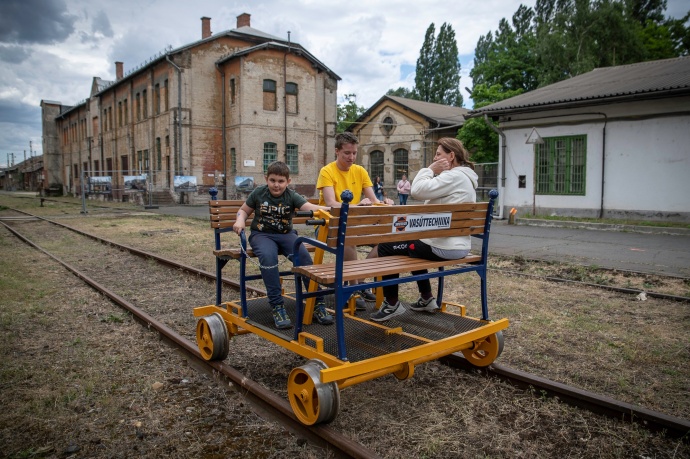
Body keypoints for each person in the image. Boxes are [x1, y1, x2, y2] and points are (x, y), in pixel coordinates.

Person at [368, 138, 478, 322]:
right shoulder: (465, 178)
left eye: (438, 154)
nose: (434, 158)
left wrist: (430, 170)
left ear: (451, 156)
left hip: (443, 247)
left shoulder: (453, 176)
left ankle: (392, 304)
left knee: (387, 246)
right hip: (459, 245)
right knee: (413, 245)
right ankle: (427, 298)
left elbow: (417, 191)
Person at [233, 161, 334, 329]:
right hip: (262, 235)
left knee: (303, 257)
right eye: (273, 180)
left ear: (288, 181)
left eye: (281, 181)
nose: (276, 185)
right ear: (266, 179)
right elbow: (244, 210)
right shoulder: (259, 193)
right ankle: (277, 306)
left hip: (286, 235)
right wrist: (240, 220)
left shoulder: (291, 195)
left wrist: (335, 208)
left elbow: (311, 207)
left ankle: (316, 302)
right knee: (268, 257)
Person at [317, 132, 394, 308]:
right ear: (337, 151)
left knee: (385, 241)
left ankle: (358, 282)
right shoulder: (327, 171)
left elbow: (373, 201)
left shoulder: (360, 171)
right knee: (349, 237)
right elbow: (331, 203)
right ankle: (352, 289)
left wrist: (384, 203)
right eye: (347, 153)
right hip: (329, 225)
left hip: (355, 224)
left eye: (354, 153)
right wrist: (357, 206)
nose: (351, 157)